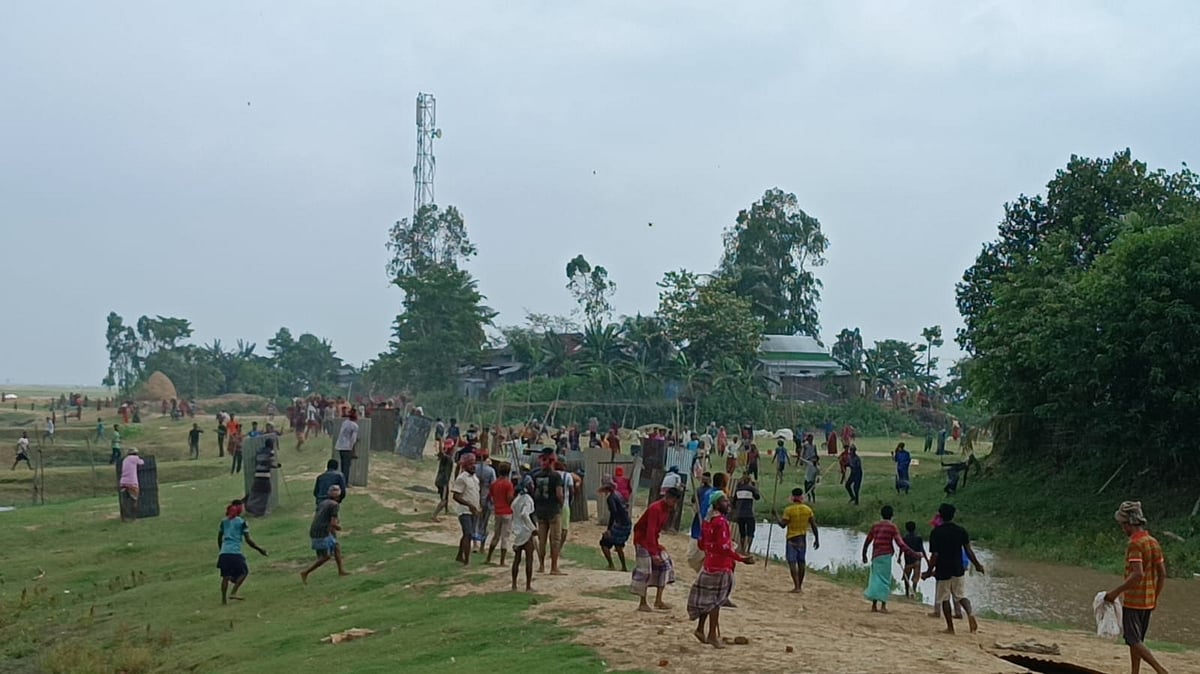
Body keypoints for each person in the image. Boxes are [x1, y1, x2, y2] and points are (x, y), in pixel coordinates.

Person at [1104, 501, 1169, 674]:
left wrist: (1115, 593)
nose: (1122, 528)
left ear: (1129, 523)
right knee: (1138, 641)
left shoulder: (1135, 544)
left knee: (1132, 640)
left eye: (1122, 524)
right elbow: (1162, 573)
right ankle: (1135, 672)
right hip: (1148, 602)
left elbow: (1137, 574)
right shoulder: (1153, 542)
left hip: (1134, 602)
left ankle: (1161, 670)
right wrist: (1155, 598)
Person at [688, 491, 755, 649]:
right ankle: (712, 635)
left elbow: (701, 544)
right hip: (720, 567)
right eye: (725, 501)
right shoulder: (721, 522)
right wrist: (741, 558)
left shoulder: (707, 521)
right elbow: (724, 547)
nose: (728, 503)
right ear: (717, 504)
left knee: (709, 600)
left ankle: (700, 629)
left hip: (709, 565)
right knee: (715, 602)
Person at [923, 503, 985, 634]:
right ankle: (970, 613)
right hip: (958, 568)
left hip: (943, 569)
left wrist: (929, 571)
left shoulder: (936, 532)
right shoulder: (961, 530)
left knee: (945, 598)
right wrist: (977, 565)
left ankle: (950, 628)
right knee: (960, 596)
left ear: (940, 516)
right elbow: (968, 551)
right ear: (953, 515)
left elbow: (935, 555)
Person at [631, 487, 681, 612]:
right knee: (645, 570)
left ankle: (658, 600)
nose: (674, 504)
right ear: (668, 498)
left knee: (666, 565)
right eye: (674, 501)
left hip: (653, 540)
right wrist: (653, 553)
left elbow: (655, 532)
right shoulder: (655, 508)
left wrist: (656, 549)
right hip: (642, 540)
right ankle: (642, 602)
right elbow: (650, 531)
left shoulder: (667, 510)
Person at [862, 505, 915, 612]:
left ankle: (874, 605)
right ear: (892, 515)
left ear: (881, 515)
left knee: (875, 579)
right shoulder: (892, 527)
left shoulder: (875, 526)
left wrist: (864, 554)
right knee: (885, 580)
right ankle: (883, 605)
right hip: (886, 556)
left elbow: (868, 540)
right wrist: (913, 553)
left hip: (876, 556)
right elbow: (900, 543)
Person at [216, 500, 267, 604]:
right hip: (235, 551)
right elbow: (248, 540)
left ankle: (223, 600)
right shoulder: (241, 522)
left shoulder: (224, 521)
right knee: (244, 572)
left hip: (224, 552)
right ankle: (233, 592)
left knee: (225, 577)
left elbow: (219, 537)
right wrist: (260, 549)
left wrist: (221, 549)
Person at [301, 485, 348, 583]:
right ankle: (306, 572)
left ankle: (341, 571)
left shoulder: (323, 503)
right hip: (321, 532)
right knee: (325, 557)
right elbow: (333, 523)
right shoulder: (335, 505)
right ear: (339, 496)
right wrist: (339, 527)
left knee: (336, 547)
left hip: (316, 530)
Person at [775, 488, 819, 593]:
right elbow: (814, 525)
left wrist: (775, 515)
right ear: (802, 497)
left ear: (792, 497)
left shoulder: (788, 510)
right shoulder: (808, 510)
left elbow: (782, 524)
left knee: (792, 562)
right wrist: (817, 539)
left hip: (791, 539)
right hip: (802, 539)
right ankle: (800, 585)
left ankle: (797, 586)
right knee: (801, 562)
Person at [531, 449, 565, 575]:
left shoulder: (537, 476)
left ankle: (541, 566)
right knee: (555, 539)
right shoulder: (556, 476)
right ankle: (554, 567)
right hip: (553, 509)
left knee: (542, 540)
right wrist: (561, 505)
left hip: (540, 510)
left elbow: (534, 492)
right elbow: (559, 494)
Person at [451, 453, 481, 566]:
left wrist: (477, 507)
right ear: (465, 465)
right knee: (468, 534)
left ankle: (460, 555)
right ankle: (467, 560)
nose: (473, 466)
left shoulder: (475, 478)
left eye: (474, 463)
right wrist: (469, 505)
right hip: (465, 511)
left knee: (467, 534)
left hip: (474, 510)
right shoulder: (462, 478)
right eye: (470, 464)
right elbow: (456, 496)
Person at [486, 463, 516, 566]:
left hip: (497, 511)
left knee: (496, 536)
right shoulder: (508, 484)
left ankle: (489, 557)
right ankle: (502, 561)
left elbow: (490, 496)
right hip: (507, 511)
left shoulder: (494, 483)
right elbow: (509, 498)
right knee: (505, 537)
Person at [599, 478, 632, 572]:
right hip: (627, 523)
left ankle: (611, 565)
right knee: (618, 545)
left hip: (620, 523)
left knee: (604, 543)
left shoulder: (611, 498)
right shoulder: (618, 494)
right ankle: (624, 567)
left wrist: (609, 529)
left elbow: (613, 512)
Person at [510, 479, 537, 591]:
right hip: (526, 532)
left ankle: (514, 584)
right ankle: (528, 586)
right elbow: (524, 514)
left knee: (517, 559)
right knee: (529, 559)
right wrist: (533, 528)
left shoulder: (516, 499)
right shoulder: (528, 500)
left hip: (517, 531)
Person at [474, 451, 497, 552]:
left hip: (474, 497)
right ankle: (482, 546)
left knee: (475, 521)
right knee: (484, 523)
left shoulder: (473, 468)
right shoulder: (491, 471)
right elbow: (493, 485)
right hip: (486, 499)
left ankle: (475, 544)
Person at [732, 474, 761, 554]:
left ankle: (742, 549)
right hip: (749, 514)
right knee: (750, 532)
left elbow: (734, 502)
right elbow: (757, 497)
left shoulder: (738, 489)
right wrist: (754, 487)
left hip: (740, 514)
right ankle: (748, 550)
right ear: (749, 481)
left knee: (742, 532)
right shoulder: (751, 488)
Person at [900, 521, 927, 598]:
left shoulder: (905, 538)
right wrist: (927, 559)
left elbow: (902, 548)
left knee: (906, 577)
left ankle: (907, 593)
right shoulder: (918, 538)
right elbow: (922, 549)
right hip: (917, 560)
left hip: (908, 560)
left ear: (906, 529)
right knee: (916, 577)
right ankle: (913, 592)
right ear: (915, 528)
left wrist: (899, 557)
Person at [119, 448, 145, 520]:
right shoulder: (134, 458)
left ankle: (124, 517)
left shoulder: (125, 460)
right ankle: (133, 517)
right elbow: (142, 462)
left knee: (125, 501)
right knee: (134, 500)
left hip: (123, 482)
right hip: (132, 482)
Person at [432, 439, 454, 520]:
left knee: (446, 495)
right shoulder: (446, 457)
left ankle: (446, 510)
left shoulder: (447, 457)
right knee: (443, 500)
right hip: (443, 481)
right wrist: (441, 442)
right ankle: (434, 515)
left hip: (442, 481)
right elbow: (441, 452)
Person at [334, 409, 359, 482]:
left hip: (340, 446)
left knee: (343, 465)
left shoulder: (345, 422)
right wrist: (353, 451)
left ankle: (341, 481)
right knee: (346, 466)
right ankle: (345, 482)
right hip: (347, 447)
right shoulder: (355, 426)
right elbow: (353, 440)